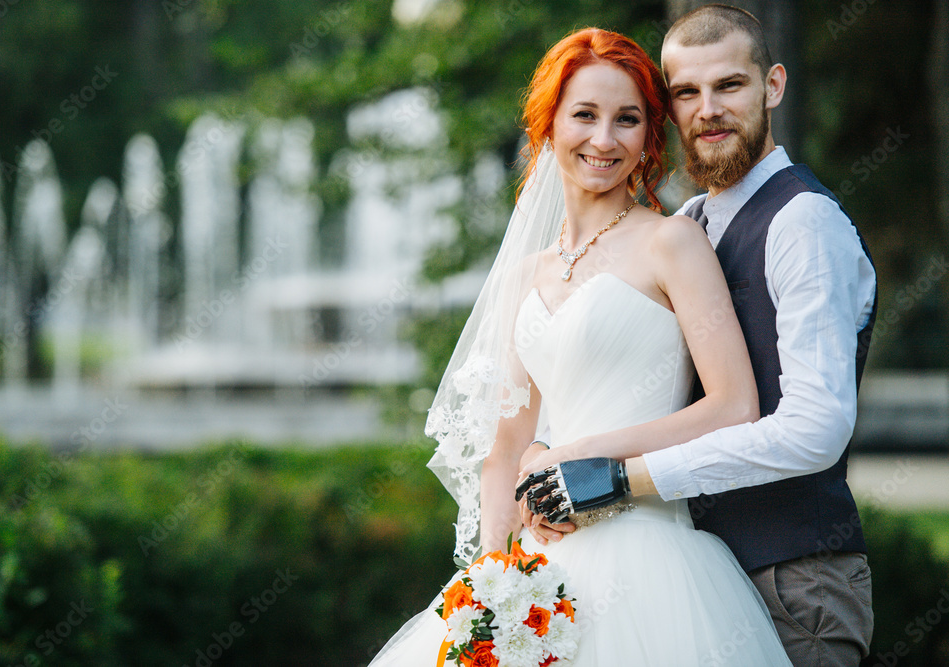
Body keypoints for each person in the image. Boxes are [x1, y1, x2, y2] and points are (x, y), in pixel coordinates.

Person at [370, 27, 791, 666]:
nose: (604, 139)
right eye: (585, 115)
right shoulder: (523, 276)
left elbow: (734, 406)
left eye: (627, 120)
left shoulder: (672, 245)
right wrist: (496, 584)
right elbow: (506, 446)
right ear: (548, 124)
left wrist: (573, 455)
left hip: (651, 555)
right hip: (543, 564)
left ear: (649, 135)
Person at [525, 6, 878, 666]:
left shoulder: (804, 223)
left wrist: (620, 478)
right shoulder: (688, 222)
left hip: (791, 579)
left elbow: (814, 427)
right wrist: (552, 444)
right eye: (687, 92)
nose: (707, 109)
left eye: (729, 86)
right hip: (682, 574)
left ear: (772, 86)